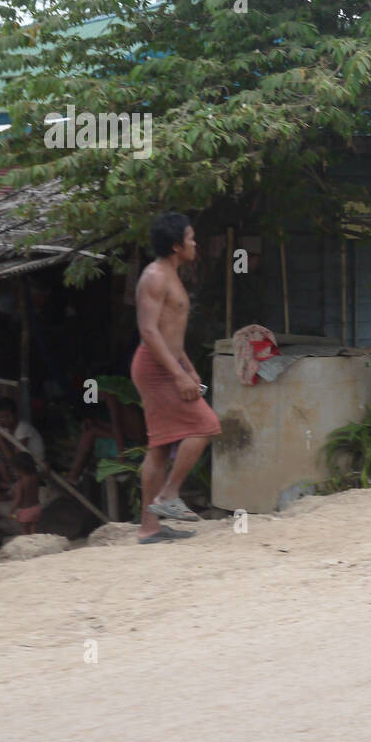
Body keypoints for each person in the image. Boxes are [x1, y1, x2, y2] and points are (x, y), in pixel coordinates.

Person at [131, 212, 220, 544]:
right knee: (205, 425)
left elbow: (170, 334)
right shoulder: (155, 277)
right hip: (155, 369)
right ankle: (168, 496)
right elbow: (149, 331)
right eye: (191, 238)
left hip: (167, 364)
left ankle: (149, 527)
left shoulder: (171, 274)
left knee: (159, 446)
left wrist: (189, 367)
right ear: (175, 245)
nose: (195, 244)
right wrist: (177, 375)